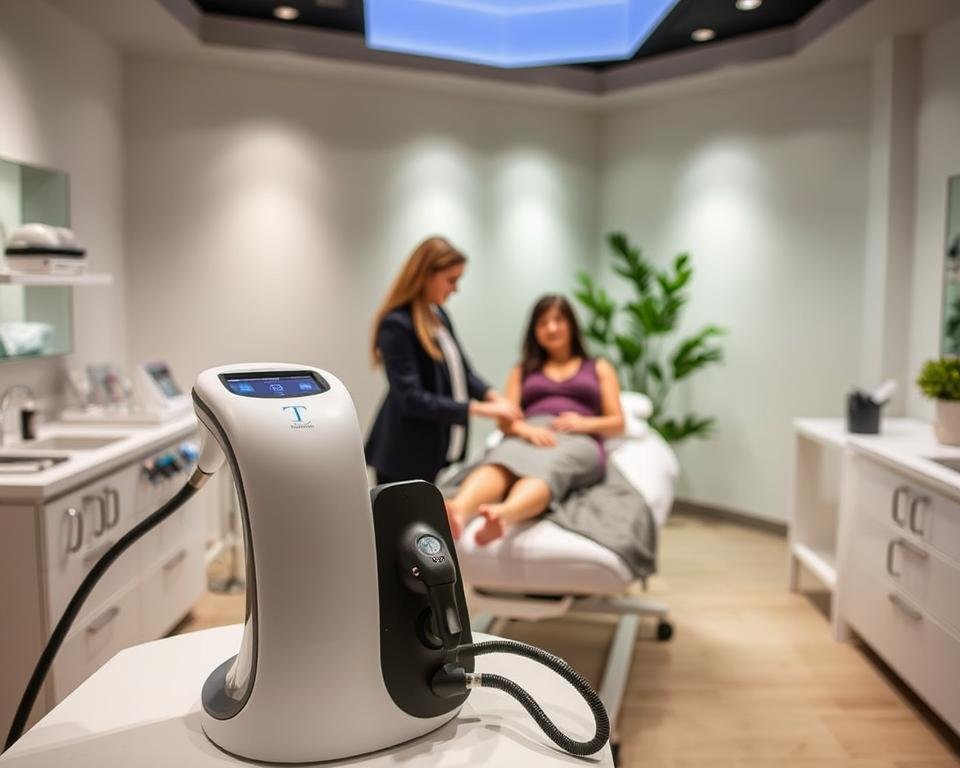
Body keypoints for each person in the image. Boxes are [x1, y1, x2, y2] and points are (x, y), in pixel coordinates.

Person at [445, 294, 624, 545]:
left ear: (571, 325)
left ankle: (502, 516)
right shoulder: (522, 369)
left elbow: (617, 422)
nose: (551, 328)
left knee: (547, 468)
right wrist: (526, 431)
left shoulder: (598, 366)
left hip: (578, 439)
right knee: (499, 461)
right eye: (543, 323)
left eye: (558, 320)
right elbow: (505, 419)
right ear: (534, 331)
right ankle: (458, 511)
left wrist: (584, 424)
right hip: (528, 433)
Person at [365, 236, 521, 485]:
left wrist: (494, 396)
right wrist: (479, 409)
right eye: (451, 280)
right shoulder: (397, 325)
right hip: (403, 454)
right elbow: (411, 398)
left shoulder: (439, 316)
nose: (455, 289)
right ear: (426, 275)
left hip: (434, 452)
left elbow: (464, 373)